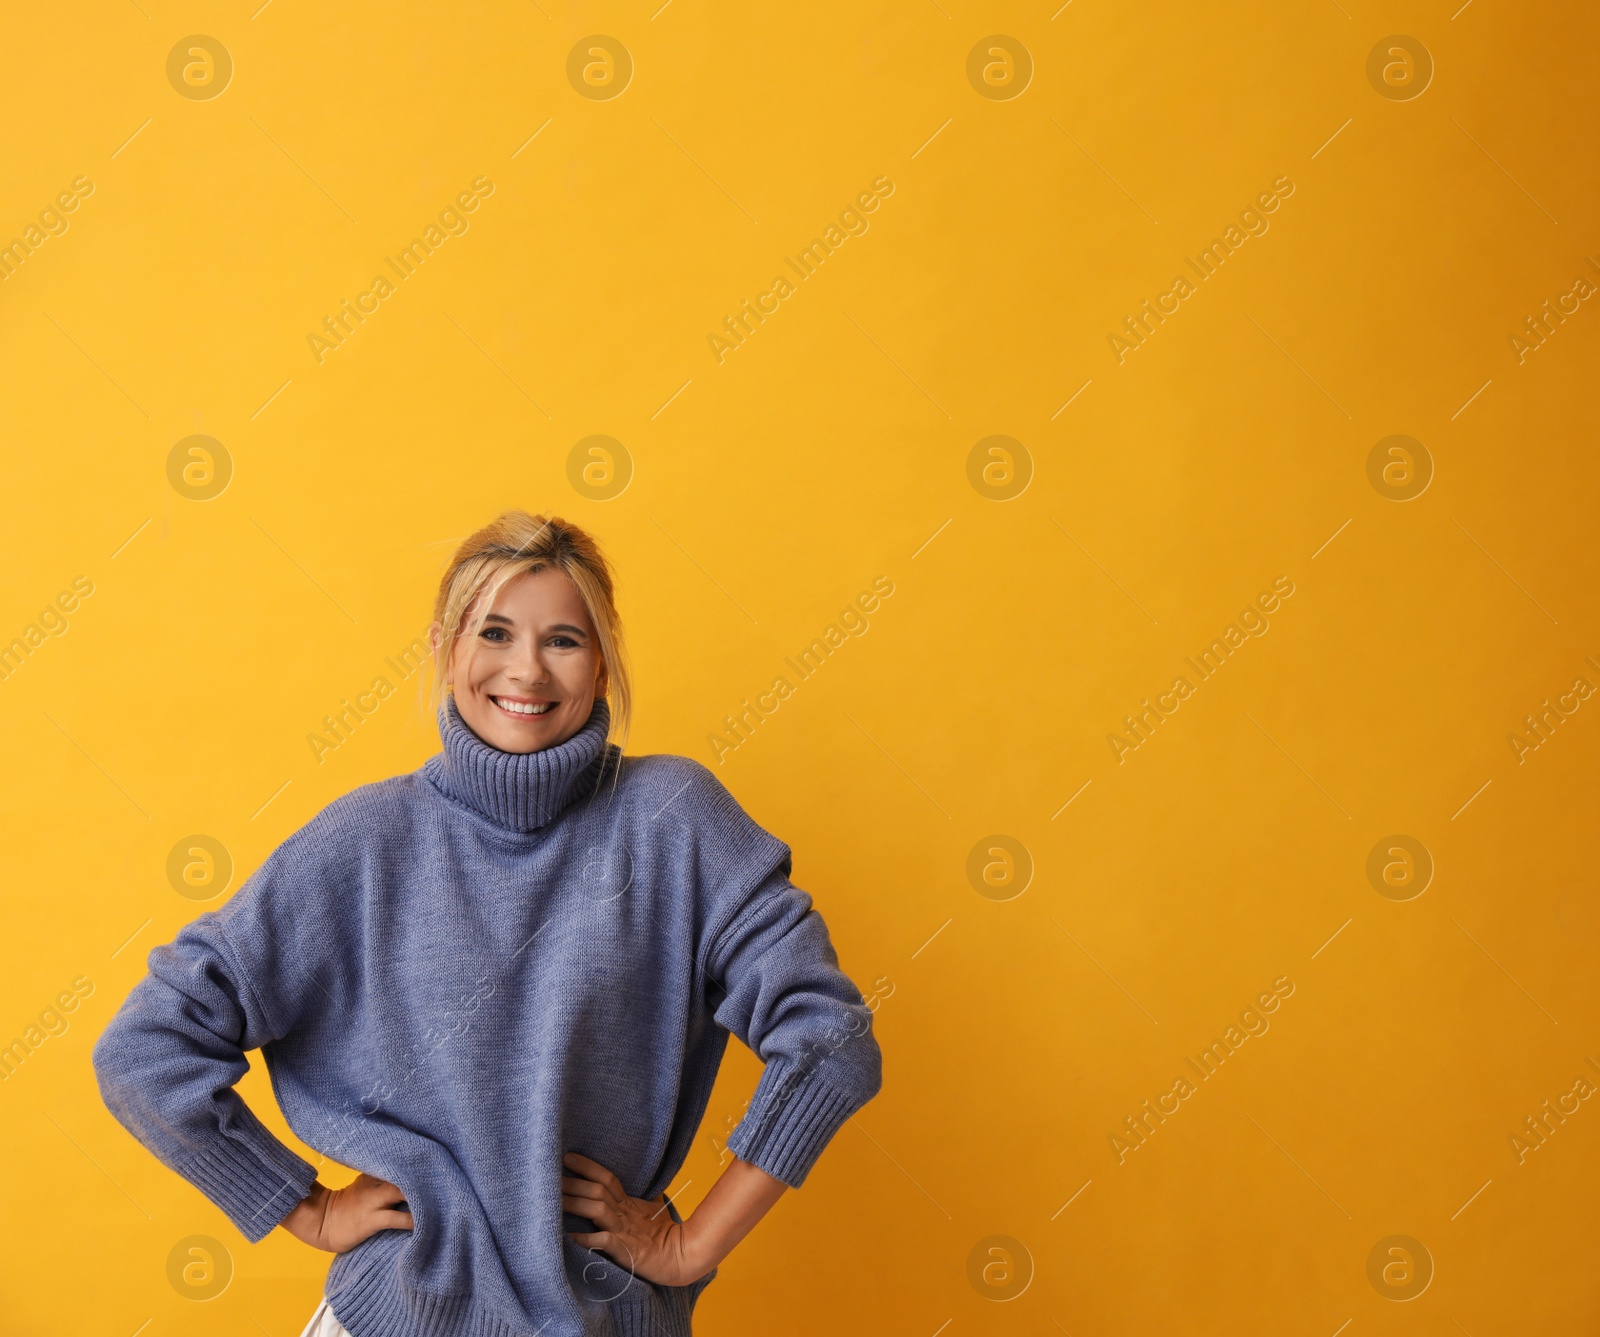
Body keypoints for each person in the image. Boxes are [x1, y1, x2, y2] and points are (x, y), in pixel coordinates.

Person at [91, 511, 885, 1337]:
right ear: (443, 647)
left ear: (606, 663)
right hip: (394, 1318)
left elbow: (832, 1039)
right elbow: (146, 1048)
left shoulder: (676, 820)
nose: (527, 670)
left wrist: (691, 1247)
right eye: (495, 631)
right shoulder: (363, 843)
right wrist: (304, 1206)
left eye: (564, 640)